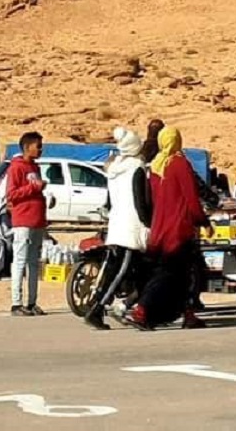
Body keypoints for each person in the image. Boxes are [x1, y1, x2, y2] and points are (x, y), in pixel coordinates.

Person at [123, 126, 211, 330]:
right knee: (169, 274)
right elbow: (191, 197)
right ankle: (142, 310)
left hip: (159, 227)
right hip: (178, 230)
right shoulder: (179, 163)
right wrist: (203, 221)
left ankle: (187, 314)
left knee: (181, 275)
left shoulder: (155, 166)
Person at [84, 127, 152, 331]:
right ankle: (97, 308)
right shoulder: (136, 167)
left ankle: (127, 307)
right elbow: (140, 200)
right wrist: (147, 223)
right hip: (131, 226)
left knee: (124, 271)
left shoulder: (115, 167)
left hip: (117, 223)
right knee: (119, 272)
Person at [6, 131, 48, 316]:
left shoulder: (35, 168)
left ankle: (32, 302)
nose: (40, 149)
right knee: (20, 261)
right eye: (38, 146)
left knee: (33, 262)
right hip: (23, 219)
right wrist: (33, 188)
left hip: (37, 219)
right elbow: (12, 194)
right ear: (27, 147)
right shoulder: (16, 168)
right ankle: (16, 303)